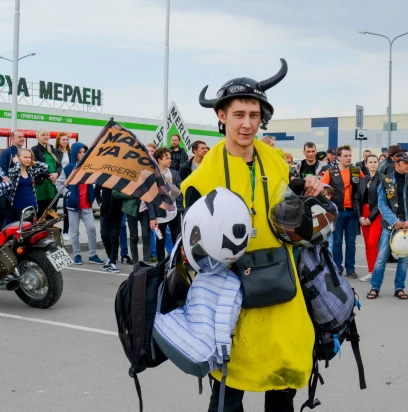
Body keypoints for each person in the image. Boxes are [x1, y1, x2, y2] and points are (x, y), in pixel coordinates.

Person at [192, 59, 321, 411]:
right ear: (222, 116)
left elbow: (286, 205)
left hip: (281, 282)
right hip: (229, 293)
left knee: (281, 380)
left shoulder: (275, 159)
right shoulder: (206, 172)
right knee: (228, 388)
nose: (247, 124)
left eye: (254, 114)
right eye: (238, 114)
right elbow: (191, 238)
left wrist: (306, 190)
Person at [367, 152, 408, 300]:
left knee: (404, 258)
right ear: (396, 164)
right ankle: (375, 287)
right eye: (406, 163)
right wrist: (394, 221)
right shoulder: (385, 180)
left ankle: (399, 288)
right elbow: (381, 204)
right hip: (390, 226)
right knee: (382, 257)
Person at [55, 142, 104, 266]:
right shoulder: (68, 168)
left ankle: (93, 254)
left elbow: (95, 181)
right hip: (73, 205)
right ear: (75, 153)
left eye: (84, 152)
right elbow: (59, 183)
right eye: (80, 152)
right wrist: (68, 194)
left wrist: (92, 193)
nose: (82, 154)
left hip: (86, 204)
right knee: (75, 231)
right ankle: (77, 254)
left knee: (92, 229)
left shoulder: (89, 167)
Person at [321, 145, 361, 278]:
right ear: (339, 158)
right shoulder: (331, 172)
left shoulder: (356, 171)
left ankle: (350, 268)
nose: (349, 158)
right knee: (337, 242)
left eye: (350, 155)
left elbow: (365, 187)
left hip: (353, 212)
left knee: (351, 242)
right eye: (346, 156)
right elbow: (323, 188)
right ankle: (338, 267)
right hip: (337, 212)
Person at [150, 148, 183, 262]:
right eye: (167, 158)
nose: (170, 160)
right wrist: (152, 217)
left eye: (170, 157)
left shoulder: (174, 173)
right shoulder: (153, 175)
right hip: (160, 214)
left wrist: (179, 208)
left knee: (177, 239)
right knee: (160, 241)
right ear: (159, 159)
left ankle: (177, 264)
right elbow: (150, 197)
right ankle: (161, 265)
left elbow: (179, 191)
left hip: (174, 212)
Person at [357, 154, 383, 282]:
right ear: (366, 164)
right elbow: (356, 199)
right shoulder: (363, 180)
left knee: (373, 243)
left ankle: (377, 271)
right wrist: (360, 216)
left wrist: (370, 217)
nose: (373, 164)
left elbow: (381, 202)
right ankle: (371, 271)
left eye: (375, 162)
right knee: (367, 245)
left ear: (378, 164)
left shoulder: (382, 179)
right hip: (364, 213)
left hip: (376, 214)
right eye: (370, 162)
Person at [8, 148, 48, 222]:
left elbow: (44, 167)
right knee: (20, 228)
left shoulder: (30, 172)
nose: (28, 159)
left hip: (31, 204)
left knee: (31, 229)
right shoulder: (12, 171)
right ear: (18, 158)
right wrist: (17, 162)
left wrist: (33, 162)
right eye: (25, 157)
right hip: (19, 206)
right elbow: (17, 170)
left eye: (29, 157)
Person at [32, 128, 62, 218]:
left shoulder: (53, 149)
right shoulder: (34, 149)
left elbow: (59, 165)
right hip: (42, 184)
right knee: (41, 210)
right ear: (38, 137)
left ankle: (50, 230)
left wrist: (56, 174)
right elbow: (35, 165)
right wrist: (51, 176)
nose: (46, 137)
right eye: (43, 135)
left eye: (47, 135)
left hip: (53, 183)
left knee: (52, 210)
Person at [95, 184, 123, 273]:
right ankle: (110, 256)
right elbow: (96, 191)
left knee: (114, 236)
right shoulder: (104, 177)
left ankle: (113, 261)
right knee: (104, 235)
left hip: (117, 212)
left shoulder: (121, 179)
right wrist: (99, 202)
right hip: (105, 211)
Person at [54, 132, 72, 240]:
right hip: (59, 178)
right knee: (54, 206)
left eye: (66, 140)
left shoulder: (70, 153)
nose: (65, 141)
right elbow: (57, 165)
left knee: (66, 207)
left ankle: (66, 231)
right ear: (58, 141)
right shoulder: (55, 152)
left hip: (68, 180)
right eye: (63, 140)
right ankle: (53, 230)